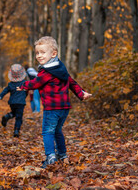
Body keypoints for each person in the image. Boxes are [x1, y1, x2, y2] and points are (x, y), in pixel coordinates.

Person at [17, 36, 92, 168]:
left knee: (47, 132)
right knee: (57, 130)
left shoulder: (46, 71)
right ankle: (62, 155)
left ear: (53, 53)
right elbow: (72, 82)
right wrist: (81, 93)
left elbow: (36, 83)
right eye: (37, 53)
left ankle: (51, 156)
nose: (39, 56)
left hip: (52, 108)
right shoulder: (61, 68)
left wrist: (23, 85)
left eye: (43, 52)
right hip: (64, 108)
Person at [0, 64, 28, 137]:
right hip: (21, 103)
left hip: (12, 102)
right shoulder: (24, 83)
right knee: (19, 117)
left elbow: (5, 91)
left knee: (14, 113)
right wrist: (24, 96)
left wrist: (0, 96)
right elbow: (26, 92)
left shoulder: (10, 84)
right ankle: (16, 130)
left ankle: (7, 116)